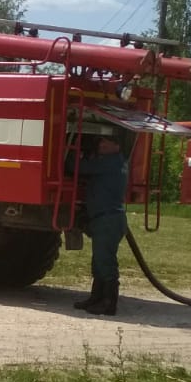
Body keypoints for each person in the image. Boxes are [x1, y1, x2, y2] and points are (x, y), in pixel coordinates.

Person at [74, 132, 129, 317]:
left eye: (107, 142)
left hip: (107, 220)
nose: (102, 144)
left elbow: (79, 167)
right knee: (99, 261)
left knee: (105, 261)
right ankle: (96, 298)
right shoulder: (117, 162)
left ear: (117, 146)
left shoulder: (109, 162)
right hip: (108, 218)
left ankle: (109, 303)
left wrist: (75, 153)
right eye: (101, 141)